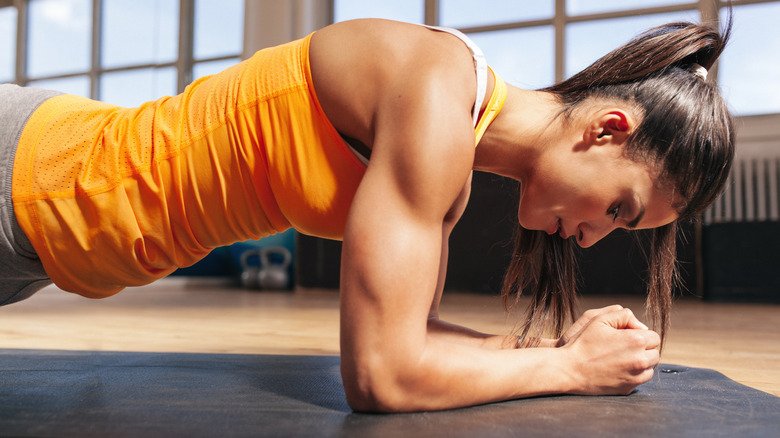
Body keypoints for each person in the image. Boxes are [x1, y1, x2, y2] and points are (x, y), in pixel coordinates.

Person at [0, 17, 733, 412]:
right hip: (30, 175)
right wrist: (570, 369)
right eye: (617, 206)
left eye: (619, 229)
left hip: (39, 229)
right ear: (606, 128)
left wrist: (549, 346)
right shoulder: (435, 100)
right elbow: (385, 376)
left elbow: (412, 337)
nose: (593, 234)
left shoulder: (456, 133)